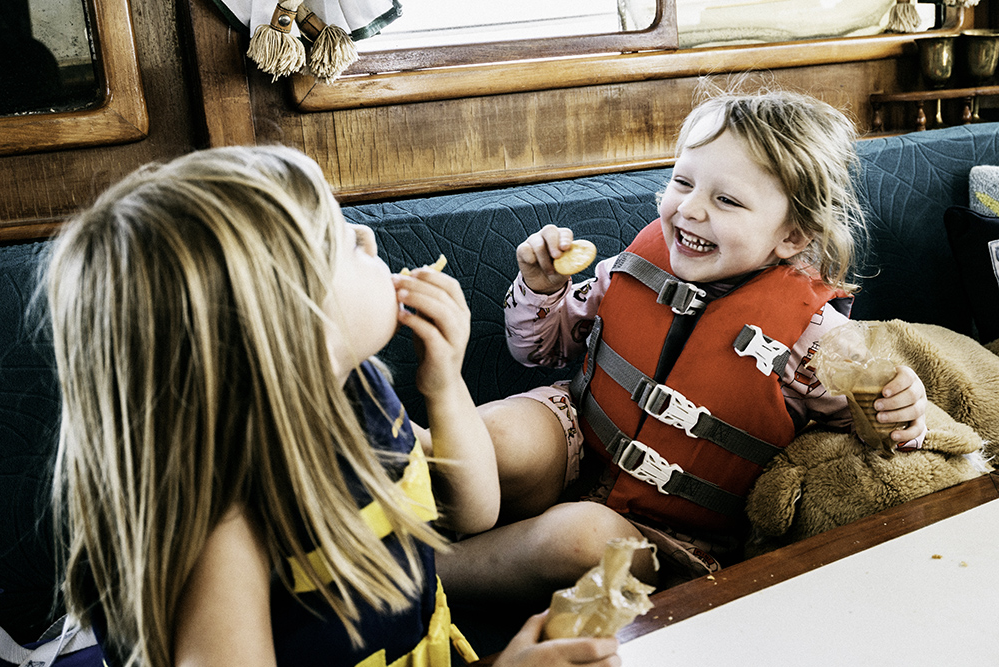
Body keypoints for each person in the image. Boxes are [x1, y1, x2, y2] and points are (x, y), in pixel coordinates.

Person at [45, 145, 621, 667]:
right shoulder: (222, 523)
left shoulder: (356, 391)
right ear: (291, 330)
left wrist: (445, 384)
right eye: (342, 241)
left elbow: (473, 511)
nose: (368, 238)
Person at [436, 90, 929, 602]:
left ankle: (417, 577)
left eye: (727, 199)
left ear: (792, 236)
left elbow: (875, 438)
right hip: (576, 441)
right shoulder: (633, 266)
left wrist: (900, 410)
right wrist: (543, 291)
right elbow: (538, 352)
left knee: (576, 536)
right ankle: (373, 483)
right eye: (682, 182)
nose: (689, 209)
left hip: (669, 536)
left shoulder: (816, 341)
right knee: (500, 433)